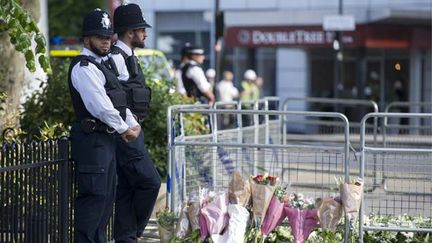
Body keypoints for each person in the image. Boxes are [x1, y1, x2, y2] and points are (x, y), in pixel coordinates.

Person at [68, 8, 140, 242]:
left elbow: (117, 99)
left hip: (105, 140)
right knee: (94, 199)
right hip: (92, 140)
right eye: (100, 37)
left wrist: (131, 122)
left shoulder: (103, 65)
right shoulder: (84, 67)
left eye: (108, 36)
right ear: (86, 38)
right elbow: (100, 106)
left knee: (106, 199)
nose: (106, 41)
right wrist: (124, 128)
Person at [111, 3, 161, 242]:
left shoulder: (128, 57)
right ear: (130, 32)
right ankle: (133, 233)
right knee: (151, 182)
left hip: (130, 130)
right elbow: (117, 97)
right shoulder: (117, 58)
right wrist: (130, 126)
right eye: (142, 29)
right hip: (126, 132)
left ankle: (126, 237)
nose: (145, 34)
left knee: (127, 189)